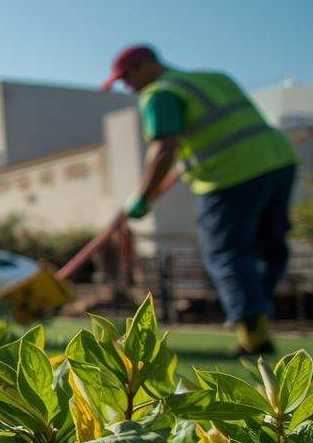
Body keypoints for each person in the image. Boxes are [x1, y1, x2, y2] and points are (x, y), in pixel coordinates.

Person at [102, 45, 299, 356]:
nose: (127, 86)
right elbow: (216, 131)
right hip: (279, 162)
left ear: (146, 65)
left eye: (127, 77)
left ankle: (253, 332)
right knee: (269, 246)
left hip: (230, 175)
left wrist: (142, 197)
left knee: (226, 253)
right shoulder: (215, 78)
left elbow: (165, 148)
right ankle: (257, 310)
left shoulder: (159, 94)